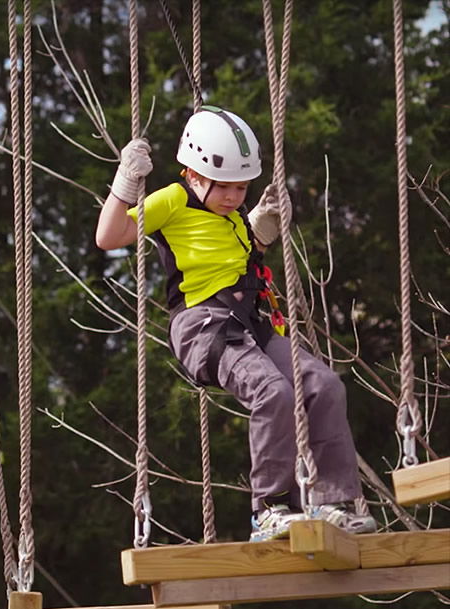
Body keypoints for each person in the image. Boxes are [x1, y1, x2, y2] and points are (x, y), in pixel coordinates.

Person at [96, 105, 377, 542]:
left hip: (248, 325)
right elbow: (109, 237)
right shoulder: (174, 199)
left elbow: (241, 263)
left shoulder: (231, 219)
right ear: (192, 175)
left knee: (323, 384)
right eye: (224, 187)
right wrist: (125, 185)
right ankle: (267, 509)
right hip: (204, 328)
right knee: (273, 392)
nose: (233, 196)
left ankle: (328, 501)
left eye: (241, 187)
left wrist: (258, 231)